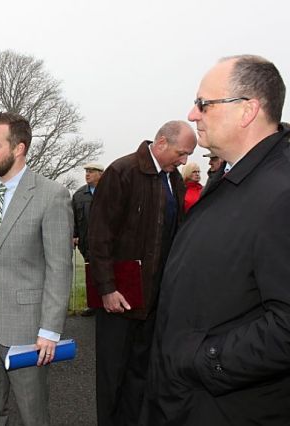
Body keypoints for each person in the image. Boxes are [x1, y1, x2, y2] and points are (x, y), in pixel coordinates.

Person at [143, 55, 290, 425]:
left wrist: (202, 359)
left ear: (247, 110)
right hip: (186, 398)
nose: (193, 114)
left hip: (226, 406)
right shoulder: (234, 176)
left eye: (204, 104)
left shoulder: (281, 191)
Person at [0, 112, 73, 426]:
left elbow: (59, 268)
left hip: (26, 330)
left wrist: (50, 330)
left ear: (19, 148)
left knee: (32, 413)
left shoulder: (52, 195)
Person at [88, 120, 196, 426]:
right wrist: (107, 288)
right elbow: (99, 236)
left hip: (154, 299)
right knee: (113, 377)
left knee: (140, 374)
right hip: (120, 297)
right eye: (182, 152)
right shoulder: (122, 172)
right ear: (161, 143)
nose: (185, 161)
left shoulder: (173, 180)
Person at [72, 162, 105, 317]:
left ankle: (107, 303)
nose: (87, 174)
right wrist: (74, 235)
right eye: (86, 171)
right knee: (90, 273)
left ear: (101, 174)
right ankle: (93, 304)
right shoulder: (79, 195)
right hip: (86, 242)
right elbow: (73, 219)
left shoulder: (110, 191)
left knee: (106, 272)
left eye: (91, 171)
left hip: (107, 242)